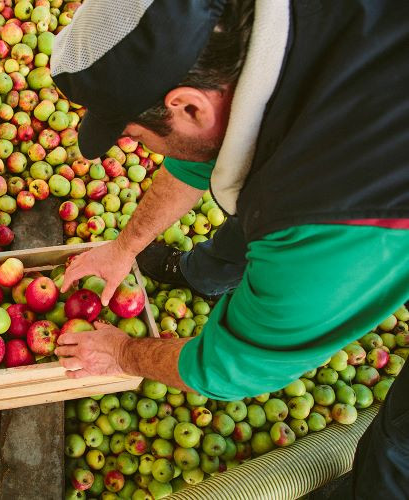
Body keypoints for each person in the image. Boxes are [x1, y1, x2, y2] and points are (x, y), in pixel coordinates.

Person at [49, 0, 409, 497]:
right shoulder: (258, 35)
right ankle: (209, 273)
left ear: (189, 105)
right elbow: (203, 155)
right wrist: (124, 246)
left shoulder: (321, 223)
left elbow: (231, 365)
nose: (135, 149)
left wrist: (125, 352)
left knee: (400, 448)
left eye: (134, 136)